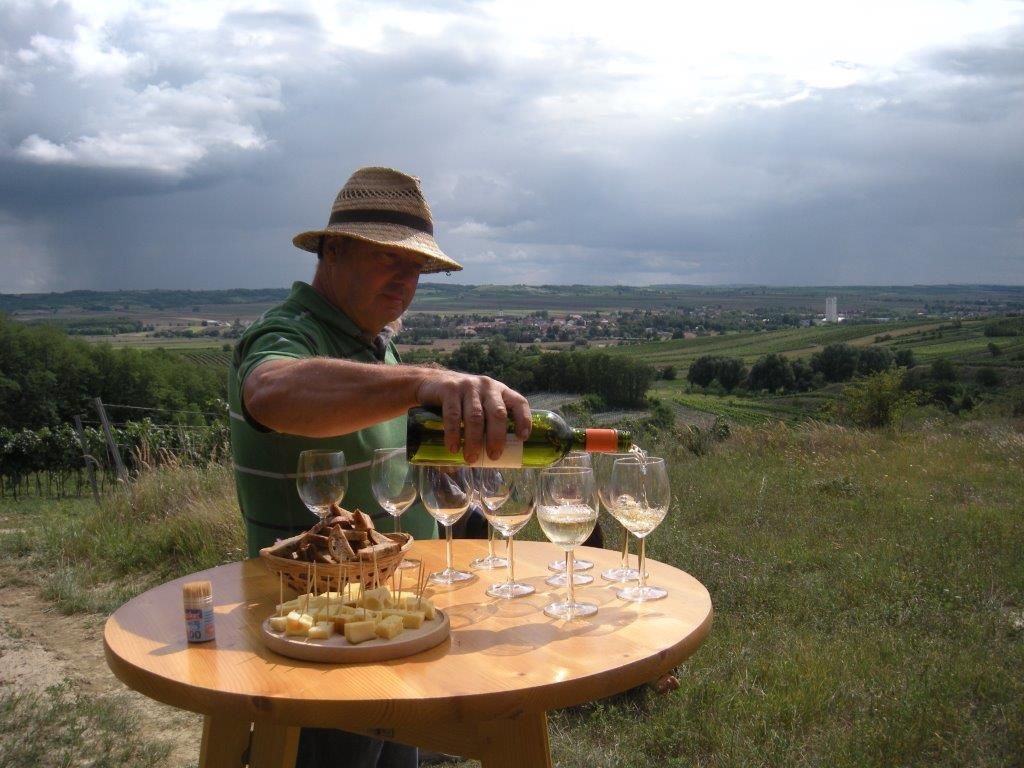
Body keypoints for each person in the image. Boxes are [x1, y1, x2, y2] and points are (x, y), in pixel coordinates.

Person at [228, 166, 531, 767]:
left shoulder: (376, 344)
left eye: (417, 266)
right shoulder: (288, 332)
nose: (407, 277)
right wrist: (427, 379)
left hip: (389, 618)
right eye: (389, 257)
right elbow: (269, 391)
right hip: (310, 630)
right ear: (332, 250)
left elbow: (400, 459)